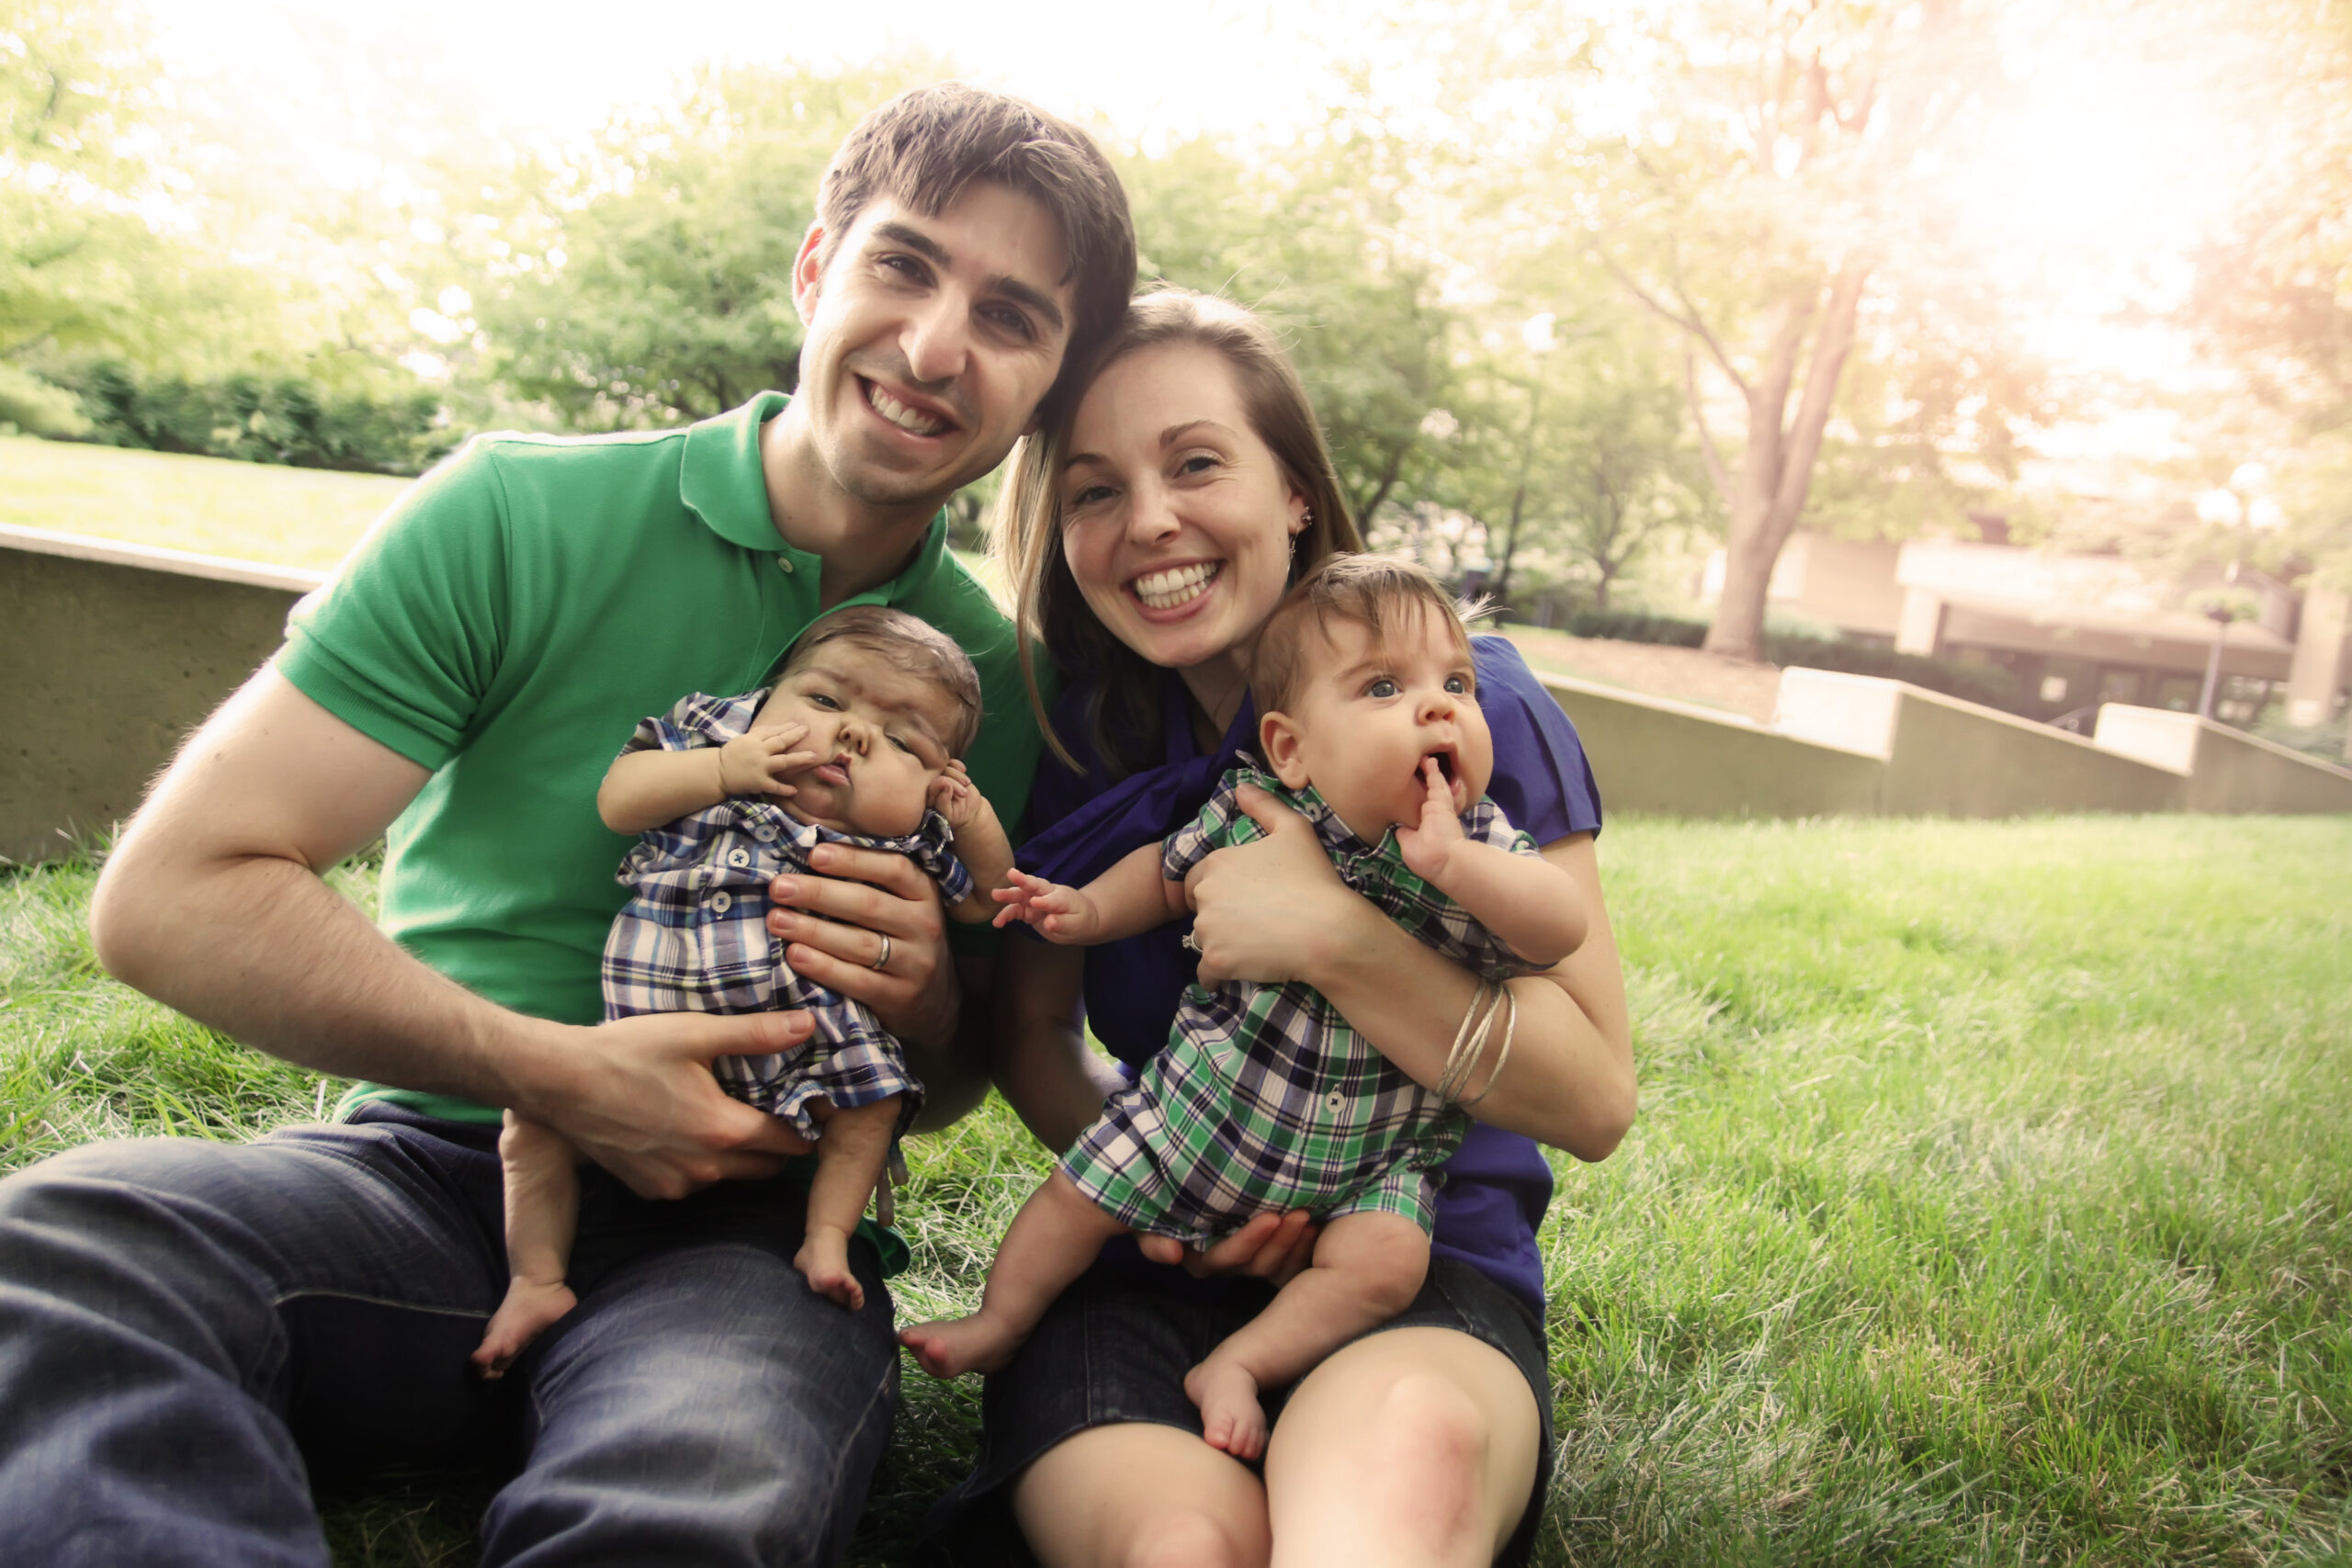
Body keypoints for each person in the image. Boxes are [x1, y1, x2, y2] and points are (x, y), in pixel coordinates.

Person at [0, 84, 1135, 1566]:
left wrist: (924, 1000)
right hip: (439, 1175)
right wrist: (557, 1072)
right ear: (816, 268)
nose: (934, 348)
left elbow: (955, 1068)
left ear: (1049, 377)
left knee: (707, 1486)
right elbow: (169, 896)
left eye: (1010, 315)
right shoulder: (515, 515)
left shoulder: (995, 682)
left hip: (749, 1243)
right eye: (905, 265)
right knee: (59, 1254)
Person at [919, 288, 1636, 1568]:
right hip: (1156, 1252)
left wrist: (1338, 936)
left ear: (1296, 489)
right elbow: (1029, 1036)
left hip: (1415, 1260)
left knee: (1396, 1481)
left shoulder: (1466, 709)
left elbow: (1593, 1100)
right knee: (1183, 1542)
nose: (1150, 521)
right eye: (1092, 490)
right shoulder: (1082, 738)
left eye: (1197, 462)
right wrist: (1184, 1198)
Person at [902, 557, 1590, 1464]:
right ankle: (1000, 1319)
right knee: (1077, 1197)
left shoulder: (1481, 843)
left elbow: (1557, 927)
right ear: (1291, 747)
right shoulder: (1262, 812)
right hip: (1205, 1115)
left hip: (1370, 1163)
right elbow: (1163, 872)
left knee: (1385, 1265)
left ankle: (1240, 1364)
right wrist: (1091, 912)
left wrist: (1460, 869)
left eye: (1454, 684)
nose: (1439, 707)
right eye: (1385, 688)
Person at [477, 605, 1018, 1375]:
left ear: (935, 785)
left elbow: (988, 903)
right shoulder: (714, 745)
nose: (854, 735)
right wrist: (723, 768)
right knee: (532, 1116)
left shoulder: (905, 838)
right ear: (763, 701)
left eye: (903, 741)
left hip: (807, 1049)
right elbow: (619, 797)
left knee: (871, 1105)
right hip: (637, 1046)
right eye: (825, 701)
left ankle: (826, 1237)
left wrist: (976, 823)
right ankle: (536, 1278)